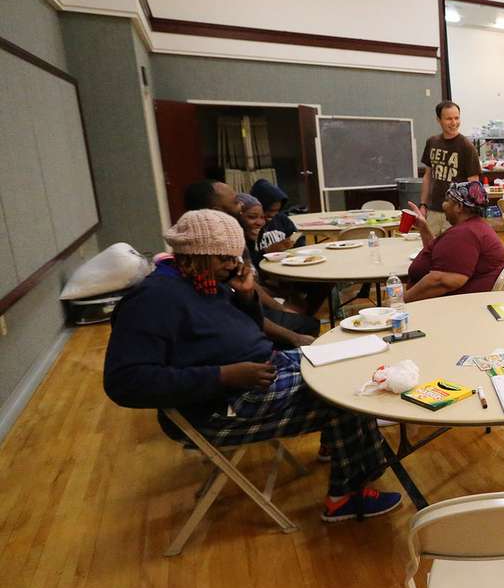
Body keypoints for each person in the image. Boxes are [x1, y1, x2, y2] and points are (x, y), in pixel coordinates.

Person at [103, 209, 403, 522]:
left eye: (236, 256)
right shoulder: (153, 300)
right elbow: (125, 382)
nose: (234, 265)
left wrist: (246, 298)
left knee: (348, 362)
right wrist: (223, 376)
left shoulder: (203, 281)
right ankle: (345, 498)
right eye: (225, 259)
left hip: (258, 374)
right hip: (222, 407)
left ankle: (339, 442)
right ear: (194, 257)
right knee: (348, 395)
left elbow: (237, 331)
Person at [185, 180, 318, 345]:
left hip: (249, 313)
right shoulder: (210, 254)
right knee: (308, 323)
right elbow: (237, 316)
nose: (240, 204)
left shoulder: (231, 237)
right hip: (240, 340)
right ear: (217, 212)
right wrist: (294, 336)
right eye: (235, 202)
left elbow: (247, 297)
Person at [400, 181, 504, 301]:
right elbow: (441, 256)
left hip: (449, 309)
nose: (443, 205)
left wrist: (400, 302)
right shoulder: (474, 227)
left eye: (447, 201)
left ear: (459, 207)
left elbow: (442, 281)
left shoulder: (465, 234)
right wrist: (423, 228)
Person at [420, 101, 481, 236]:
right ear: (439, 120)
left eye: (456, 118)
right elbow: (428, 176)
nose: (454, 123)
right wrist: (423, 205)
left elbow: (474, 183)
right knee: (429, 249)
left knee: (451, 251)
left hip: (456, 213)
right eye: (449, 119)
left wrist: (471, 215)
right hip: (434, 210)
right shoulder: (432, 142)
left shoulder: (467, 147)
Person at [250, 178, 302, 254]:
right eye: (269, 210)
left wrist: (292, 248)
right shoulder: (249, 226)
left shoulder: (282, 219)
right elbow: (249, 259)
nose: (272, 214)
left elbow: (299, 239)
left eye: (277, 210)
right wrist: (267, 251)